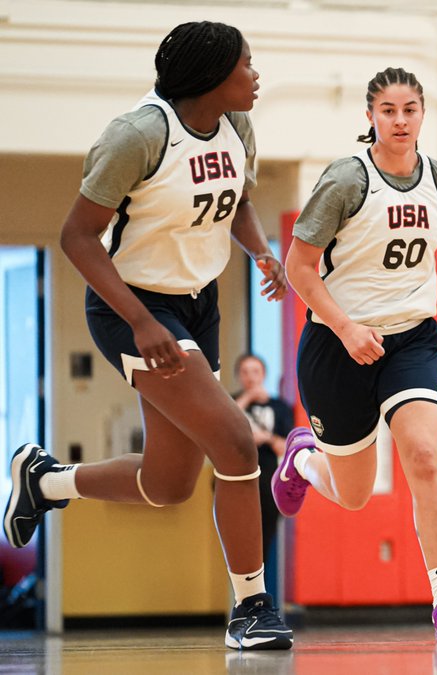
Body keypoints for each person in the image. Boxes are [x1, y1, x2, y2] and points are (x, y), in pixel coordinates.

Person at [0, 22, 293, 649]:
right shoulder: (138, 135)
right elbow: (77, 237)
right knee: (239, 444)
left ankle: (44, 480)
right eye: (247, 63)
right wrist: (141, 320)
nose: (256, 74)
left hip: (199, 304)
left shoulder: (237, 125)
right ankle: (252, 609)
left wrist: (263, 253)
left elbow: (236, 202)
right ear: (212, 74)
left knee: (168, 485)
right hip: (133, 306)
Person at [274, 67, 437, 643]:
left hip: (411, 340)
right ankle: (300, 460)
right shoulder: (347, 180)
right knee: (353, 495)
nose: (400, 120)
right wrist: (346, 329)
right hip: (336, 342)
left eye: (410, 109)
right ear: (370, 116)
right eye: (388, 110)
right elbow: (299, 267)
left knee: (423, 455)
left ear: (423, 114)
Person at [232, 354, 292, 568]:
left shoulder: (280, 407)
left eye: (255, 372)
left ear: (264, 375)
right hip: (235, 476)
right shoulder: (231, 403)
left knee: (265, 533)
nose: (250, 377)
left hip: (268, 477)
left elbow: (287, 445)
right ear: (239, 376)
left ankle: (260, 591)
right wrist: (246, 398)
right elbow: (225, 426)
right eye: (245, 372)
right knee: (236, 534)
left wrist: (266, 438)